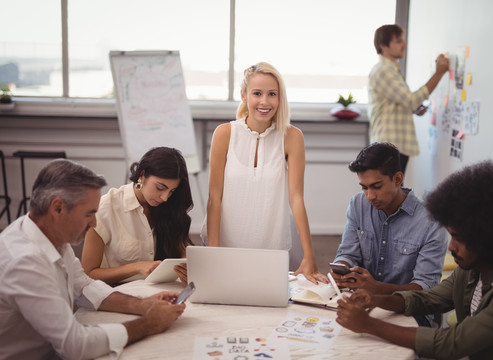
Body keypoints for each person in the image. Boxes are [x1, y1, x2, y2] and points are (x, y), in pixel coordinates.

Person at [336, 160, 493, 360]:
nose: (451, 247)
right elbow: (429, 298)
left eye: (460, 238)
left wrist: (369, 325)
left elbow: (452, 344)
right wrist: (376, 299)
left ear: (490, 237)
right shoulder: (473, 269)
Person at [0, 159, 186, 359]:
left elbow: (85, 287)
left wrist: (143, 304)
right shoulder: (25, 262)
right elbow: (75, 345)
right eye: (89, 214)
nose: (94, 223)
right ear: (58, 208)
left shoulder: (50, 235)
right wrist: (148, 323)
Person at [205, 62, 326, 284]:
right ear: (244, 95)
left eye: (272, 94)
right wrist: (214, 252)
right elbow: (215, 197)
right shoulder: (224, 134)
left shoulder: (292, 137)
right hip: (227, 241)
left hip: (272, 245)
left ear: (280, 98)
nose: (264, 101)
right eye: (257, 93)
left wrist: (310, 257)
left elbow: (296, 199)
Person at [331, 142, 447, 326]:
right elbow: (348, 253)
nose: (369, 196)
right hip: (362, 303)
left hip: (410, 314)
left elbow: (425, 290)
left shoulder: (431, 222)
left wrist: (377, 289)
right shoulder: (357, 204)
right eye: (364, 187)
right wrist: (341, 268)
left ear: (398, 179)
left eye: (376, 186)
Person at [82, 147, 193, 285]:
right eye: (160, 188)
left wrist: (187, 268)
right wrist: (136, 267)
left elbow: (182, 250)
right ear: (142, 174)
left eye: (172, 191)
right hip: (118, 295)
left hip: (161, 292)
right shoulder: (106, 208)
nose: (165, 197)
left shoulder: (169, 207)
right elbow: (88, 273)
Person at [368, 24, 449, 174]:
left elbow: (401, 102)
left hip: (393, 144)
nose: (404, 45)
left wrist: (414, 108)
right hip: (390, 145)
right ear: (383, 46)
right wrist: (439, 74)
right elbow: (411, 100)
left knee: (393, 191)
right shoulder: (384, 70)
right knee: (390, 193)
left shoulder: (391, 69)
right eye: (398, 41)